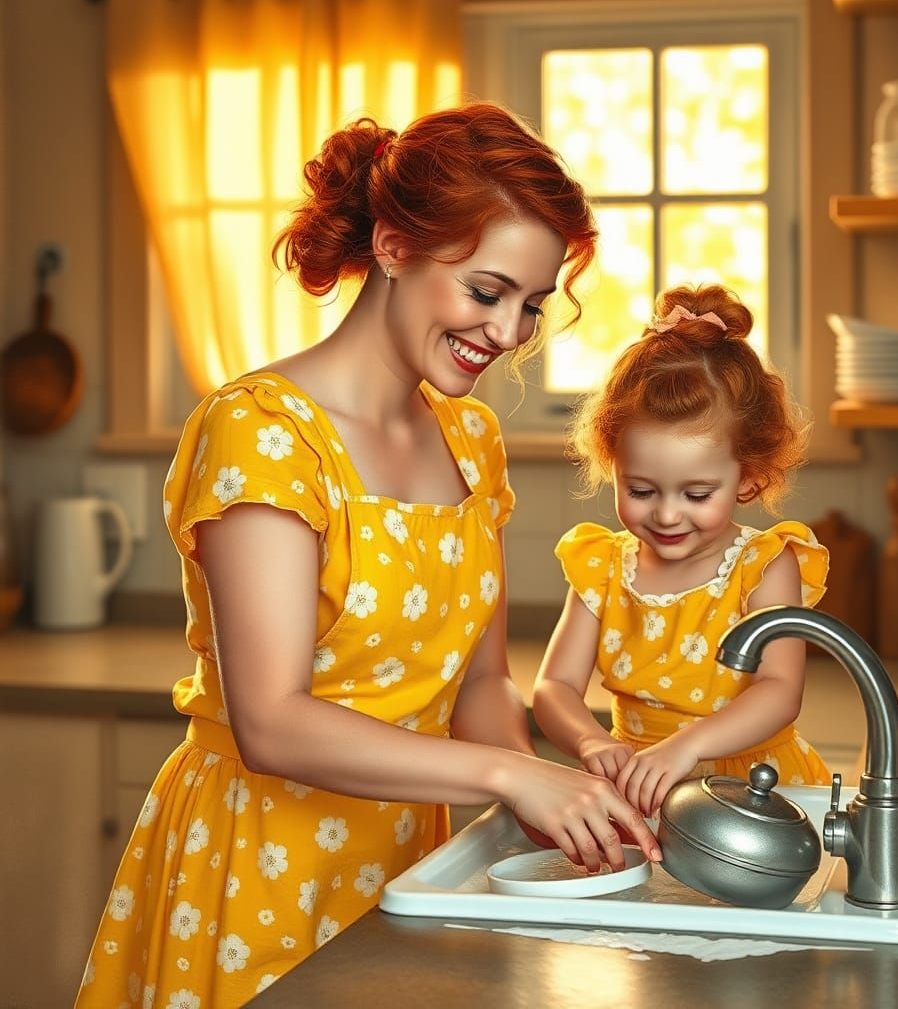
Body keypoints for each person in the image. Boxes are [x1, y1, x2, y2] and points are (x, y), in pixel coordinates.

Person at [76, 102, 661, 1009]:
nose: (508, 334)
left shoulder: (471, 440)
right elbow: (271, 722)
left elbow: (478, 687)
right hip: (258, 870)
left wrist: (551, 794)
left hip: (415, 868)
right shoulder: (262, 433)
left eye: (533, 306)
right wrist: (511, 774)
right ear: (393, 247)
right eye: (486, 291)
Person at [532, 282, 832, 821]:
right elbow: (554, 686)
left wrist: (688, 745)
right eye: (641, 490)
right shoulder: (602, 566)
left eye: (696, 495)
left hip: (754, 790)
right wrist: (591, 742)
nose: (667, 515)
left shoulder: (764, 565)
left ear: (749, 476)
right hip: (643, 790)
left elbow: (781, 689)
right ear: (613, 464)